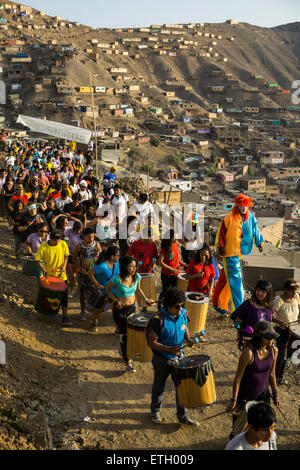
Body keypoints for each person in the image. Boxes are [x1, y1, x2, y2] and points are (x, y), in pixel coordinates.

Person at [147, 287, 199, 426]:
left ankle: (183, 416)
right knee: (159, 386)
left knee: (181, 387)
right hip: (161, 359)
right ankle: (155, 411)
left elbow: (185, 325)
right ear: (168, 307)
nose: (180, 309)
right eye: (177, 307)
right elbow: (151, 343)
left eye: (182, 305)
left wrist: (188, 339)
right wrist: (170, 349)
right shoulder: (158, 320)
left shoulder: (183, 313)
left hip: (179, 357)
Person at [226, 320, 280, 439]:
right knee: (239, 429)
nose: (271, 340)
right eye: (268, 337)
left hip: (264, 395)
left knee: (261, 426)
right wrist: (234, 399)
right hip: (246, 396)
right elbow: (238, 377)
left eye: (272, 337)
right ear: (259, 337)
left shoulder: (274, 350)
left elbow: (272, 374)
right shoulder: (249, 353)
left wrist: (275, 394)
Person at [212, 194, 264, 315]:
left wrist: (259, 242)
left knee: (225, 280)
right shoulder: (229, 217)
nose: (243, 208)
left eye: (246, 206)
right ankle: (240, 313)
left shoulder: (250, 217)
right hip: (229, 254)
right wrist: (220, 247)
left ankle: (219, 305)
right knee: (236, 282)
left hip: (239, 253)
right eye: (241, 206)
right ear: (237, 205)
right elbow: (221, 233)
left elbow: (255, 229)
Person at [106, 256, 152, 373]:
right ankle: (127, 362)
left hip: (132, 309)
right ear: (125, 266)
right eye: (131, 266)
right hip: (120, 312)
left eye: (135, 266)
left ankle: (124, 352)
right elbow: (108, 290)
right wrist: (116, 301)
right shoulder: (117, 279)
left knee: (131, 333)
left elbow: (138, 290)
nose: (133, 269)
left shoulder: (137, 277)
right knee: (124, 335)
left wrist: (146, 299)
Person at [35, 229, 71, 325]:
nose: (57, 242)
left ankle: (65, 316)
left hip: (61, 276)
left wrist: (63, 267)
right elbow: (38, 259)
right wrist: (43, 270)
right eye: (55, 240)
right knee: (45, 294)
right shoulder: (43, 247)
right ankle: (42, 313)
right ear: (50, 238)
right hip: (48, 276)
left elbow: (66, 256)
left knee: (64, 295)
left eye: (59, 240)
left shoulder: (63, 244)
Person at [231, 279, 274, 350]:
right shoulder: (249, 303)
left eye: (263, 291)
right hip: (249, 338)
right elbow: (234, 316)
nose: (259, 293)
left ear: (268, 293)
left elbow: (269, 321)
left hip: (262, 340)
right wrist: (245, 326)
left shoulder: (269, 307)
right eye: (258, 290)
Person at [273, 279, 300, 385]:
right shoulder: (278, 300)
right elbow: (270, 316)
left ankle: (274, 368)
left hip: (293, 331)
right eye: (292, 290)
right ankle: (278, 378)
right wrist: (280, 322)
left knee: (289, 354)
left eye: (295, 290)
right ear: (285, 290)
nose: (294, 293)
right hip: (282, 330)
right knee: (282, 356)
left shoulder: (297, 297)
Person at [88, 245, 121, 332]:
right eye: (118, 255)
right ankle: (95, 322)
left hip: (113, 291)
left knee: (117, 308)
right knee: (98, 308)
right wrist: (97, 284)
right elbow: (90, 273)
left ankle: (118, 327)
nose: (119, 257)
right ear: (112, 256)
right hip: (102, 291)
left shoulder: (118, 264)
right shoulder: (102, 266)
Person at [72, 228, 102, 320]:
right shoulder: (79, 247)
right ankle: (82, 311)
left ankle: (94, 311)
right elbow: (74, 259)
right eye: (89, 237)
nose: (91, 239)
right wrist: (80, 268)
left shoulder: (97, 244)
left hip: (95, 274)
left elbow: (101, 257)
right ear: (84, 236)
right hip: (84, 273)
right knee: (82, 292)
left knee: (96, 292)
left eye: (93, 236)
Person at [158, 229, 186, 299]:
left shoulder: (175, 244)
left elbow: (175, 257)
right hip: (167, 275)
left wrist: (181, 263)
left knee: (174, 292)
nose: (176, 238)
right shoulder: (165, 248)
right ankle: (160, 306)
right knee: (165, 292)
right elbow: (159, 262)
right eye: (175, 236)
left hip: (176, 273)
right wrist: (171, 269)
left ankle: (171, 307)